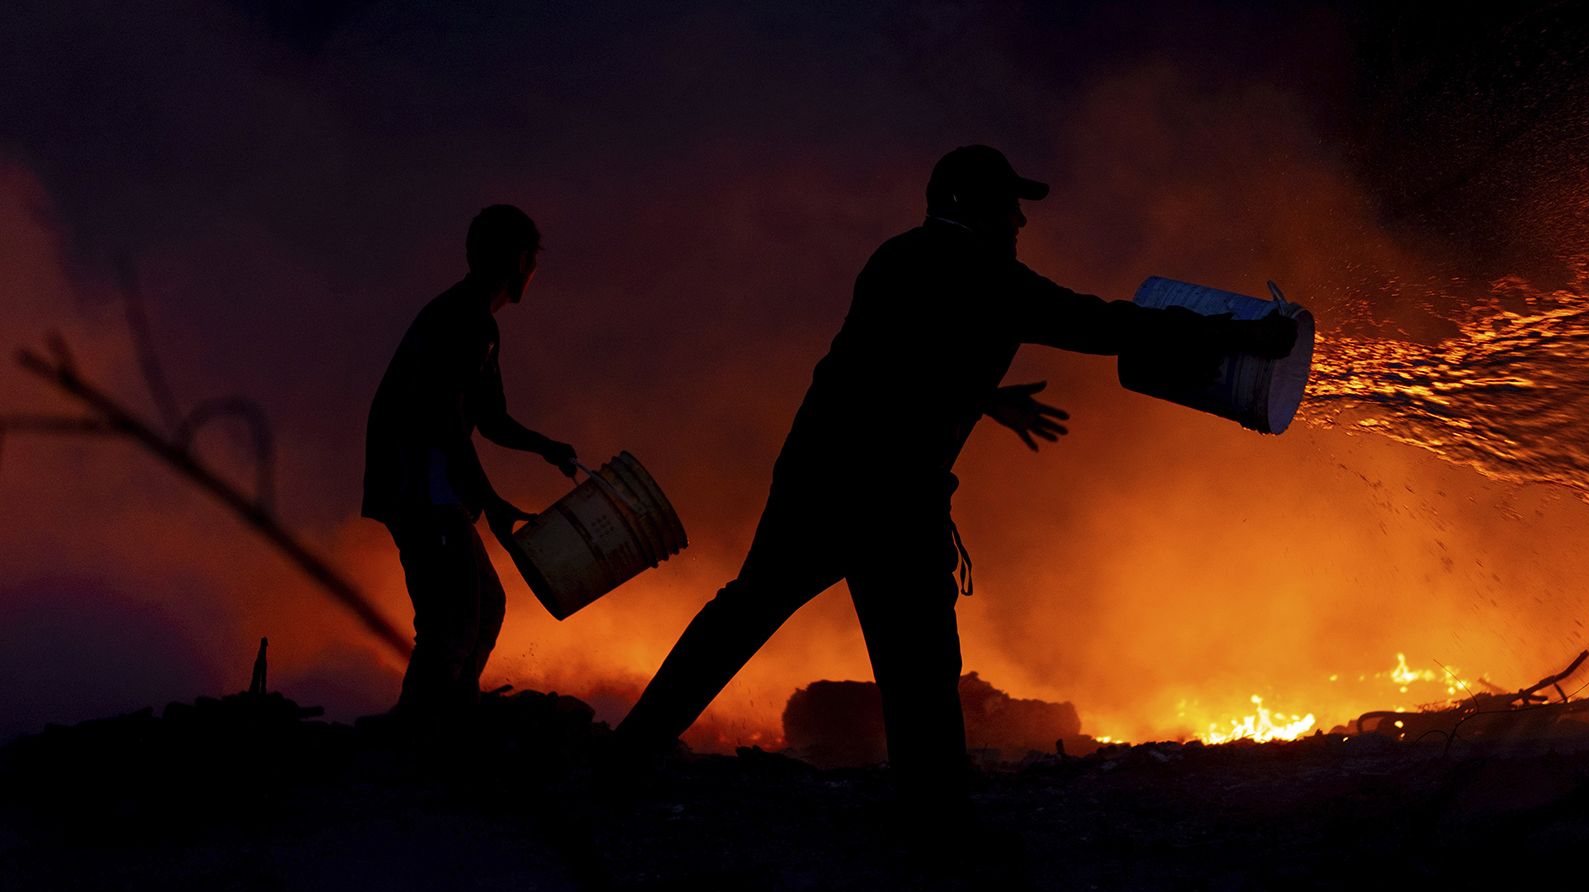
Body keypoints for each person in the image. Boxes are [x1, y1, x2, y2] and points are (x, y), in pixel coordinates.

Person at [616, 146, 1295, 817]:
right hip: (892, 495)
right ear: (971, 207)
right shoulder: (992, 278)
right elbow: (1107, 322)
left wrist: (987, 398)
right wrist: (1239, 336)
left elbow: (900, 363)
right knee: (919, 663)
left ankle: (626, 756)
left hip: (818, 473)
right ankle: (935, 818)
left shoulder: (895, 258)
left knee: (746, 612)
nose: (1020, 224)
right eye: (1010, 208)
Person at [363, 204, 577, 718]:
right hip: (421, 488)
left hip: (419, 486)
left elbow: (490, 417)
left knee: (478, 608)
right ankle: (418, 735)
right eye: (531, 258)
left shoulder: (469, 320)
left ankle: (444, 722)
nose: (532, 271)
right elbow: (446, 422)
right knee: (454, 619)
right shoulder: (467, 322)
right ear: (519, 259)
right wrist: (490, 499)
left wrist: (546, 448)